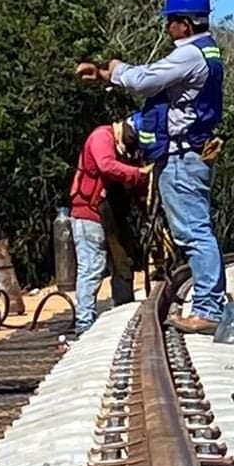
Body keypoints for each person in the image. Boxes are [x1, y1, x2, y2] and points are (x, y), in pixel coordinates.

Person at [77, 0, 225, 334]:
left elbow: (145, 80)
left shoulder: (190, 54)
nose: (166, 28)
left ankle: (209, 309)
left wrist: (115, 69)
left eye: (170, 21)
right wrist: (104, 77)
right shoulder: (206, 52)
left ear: (185, 24)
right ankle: (210, 302)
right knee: (193, 231)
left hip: (181, 157)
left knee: (193, 233)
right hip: (186, 155)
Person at [67, 119, 148, 337]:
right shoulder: (102, 137)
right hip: (89, 214)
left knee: (123, 264)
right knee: (92, 267)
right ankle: (85, 323)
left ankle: (122, 312)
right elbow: (106, 165)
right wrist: (138, 173)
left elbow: (135, 187)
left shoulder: (128, 149)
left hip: (112, 218)